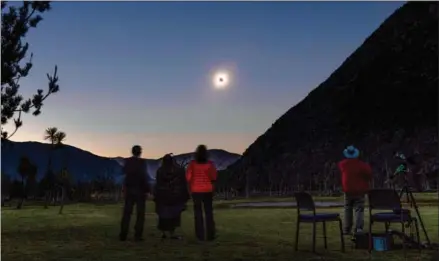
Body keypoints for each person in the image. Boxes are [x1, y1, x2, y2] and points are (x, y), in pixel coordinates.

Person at [337, 145, 372, 235]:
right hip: (359, 191)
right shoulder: (362, 165)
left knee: (348, 209)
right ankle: (359, 228)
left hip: (348, 190)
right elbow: (369, 174)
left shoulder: (343, 164)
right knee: (359, 210)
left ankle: (347, 229)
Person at [119, 145, 151, 241]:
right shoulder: (142, 163)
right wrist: (148, 189)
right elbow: (144, 176)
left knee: (127, 213)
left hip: (129, 190)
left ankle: (123, 234)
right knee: (140, 214)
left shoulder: (127, 161)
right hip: (140, 191)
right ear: (140, 152)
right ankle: (138, 235)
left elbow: (124, 172)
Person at [154, 154, 189, 240]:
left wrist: (156, 196)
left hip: (163, 196)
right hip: (175, 196)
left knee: (163, 215)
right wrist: (185, 196)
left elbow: (158, 184)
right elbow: (183, 183)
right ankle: (171, 233)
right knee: (174, 215)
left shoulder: (160, 171)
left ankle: (163, 233)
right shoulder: (178, 171)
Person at [186, 145, 218, 241]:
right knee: (209, 213)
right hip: (208, 190)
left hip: (196, 191)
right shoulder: (210, 164)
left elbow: (188, 177)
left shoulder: (192, 164)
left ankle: (200, 235)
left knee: (198, 213)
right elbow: (214, 177)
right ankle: (210, 235)